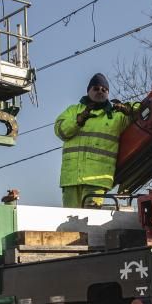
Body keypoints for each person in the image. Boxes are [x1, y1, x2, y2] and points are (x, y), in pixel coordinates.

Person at [54, 73, 136, 208]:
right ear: (88, 91)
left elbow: (143, 111)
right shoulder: (73, 111)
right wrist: (78, 120)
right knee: (70, 223)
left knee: (90, 219)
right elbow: (60, 131)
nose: (100, 92)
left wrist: (128, 109)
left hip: (97, 180)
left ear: (108, 93)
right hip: (71, 179)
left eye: (104, 90)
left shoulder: (117, 116)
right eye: (96, 88)